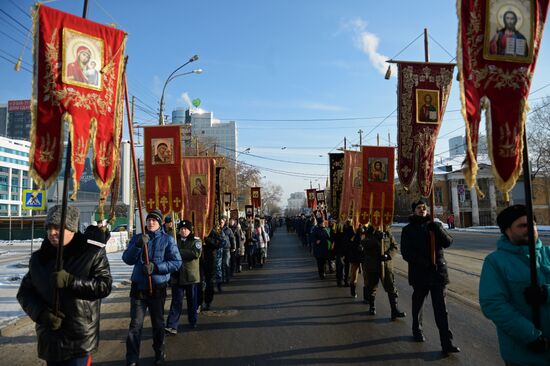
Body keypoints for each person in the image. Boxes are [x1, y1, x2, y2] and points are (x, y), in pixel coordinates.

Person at [17, 205, 112, 366]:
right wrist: (40, 314)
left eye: (57, 228)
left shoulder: (92, 253)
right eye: (49, 228)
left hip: (80, 339)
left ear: (72, 228)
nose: (52, 233)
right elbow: (24, 293)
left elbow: (104, 286)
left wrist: (71, 281)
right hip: (50, 338)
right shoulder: (39, 259)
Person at [479, 204, 550, 365]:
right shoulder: (496, 262)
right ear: (507, 230)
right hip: (524, 354)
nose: (530, 229)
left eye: (532, 224)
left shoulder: (548, 254)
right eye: (522, 225)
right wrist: (531, 336)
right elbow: (493, 304)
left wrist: (547, 293)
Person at [400, 198, 460, 355]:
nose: (422, 209)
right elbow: (406, 252)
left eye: (424, 207)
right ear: (414, 211)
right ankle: (417, 328)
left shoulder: (435, 225)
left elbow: (448, 242)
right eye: (419, 207)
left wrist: (438, 229)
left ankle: (446, 343)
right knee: (418, 304)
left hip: (438, 274)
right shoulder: (408, 230)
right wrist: (424, 262)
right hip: (420, 273)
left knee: (441, 309)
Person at [123, 209, 182, 366]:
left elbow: (176, 262)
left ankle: (159, 352)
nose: (151, 222)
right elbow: (127, 259)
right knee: (135, 325)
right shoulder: (138, 237)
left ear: (160, 222)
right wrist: (137, 245)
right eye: (149, 220)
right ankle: (132, 358)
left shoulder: (167, 240)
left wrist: (156, 267)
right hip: (138, 288)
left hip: (157, 287)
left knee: (158, 323)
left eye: (154, 220)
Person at [165, 220, 202, 335]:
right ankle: (172, 325)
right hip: (177, 276)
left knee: (192, 301)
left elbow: (195, 254)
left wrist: (178, 252)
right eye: (181, 229)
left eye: (185, 229)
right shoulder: (175, 240)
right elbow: (169, 253)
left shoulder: (196, 241)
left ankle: (193, 320)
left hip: (191, 276)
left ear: (190, 230)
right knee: (176, 302)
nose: (183, 231)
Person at [362, 224, 406, 320]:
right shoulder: (367, 233)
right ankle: (372, 306)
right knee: (372, 286)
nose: (377, 225)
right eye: (375, 224)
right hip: (372, 265)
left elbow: (394, 246)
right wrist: (376, 239)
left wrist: (387, 255)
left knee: (391, 288)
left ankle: (394, 310)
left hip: (386, 266)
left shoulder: (387, 232)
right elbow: (364, 245)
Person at [202, 224, 224, 310]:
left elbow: (218, 243)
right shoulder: (194, 230)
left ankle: (208, 301)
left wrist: (206, 239)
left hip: (209, 260)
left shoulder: (211, 230)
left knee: (209, 282)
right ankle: (198, 302)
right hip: (197, 260)